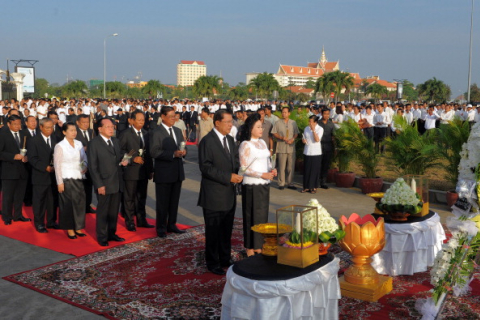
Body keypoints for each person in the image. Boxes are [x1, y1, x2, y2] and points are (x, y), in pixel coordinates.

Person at [198, 109, 242, 275]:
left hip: (229, 193)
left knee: (226, 229)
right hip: (214, 194)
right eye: (228, 122)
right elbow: (206, 167)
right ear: (217, 123)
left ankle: (225, 257)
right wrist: (228, 176)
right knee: (213, 230)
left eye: (232, 122)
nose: (231, 125)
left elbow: (234, 162)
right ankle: (212, 261)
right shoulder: (207, 141)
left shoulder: (230, 140)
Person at [239, 113, 277, 257]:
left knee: (261, 216)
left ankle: (259, 245)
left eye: (262, 126)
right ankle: (249, 247)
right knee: (251, 216)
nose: (261, 129)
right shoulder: (245, 145)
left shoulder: (262, 142)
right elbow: (243, 168)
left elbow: (267, 161)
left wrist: (271, 170)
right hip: (251, 185)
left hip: (264, 184)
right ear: (250, 129)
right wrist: (262, 174)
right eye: (258, 127)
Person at [88, 118, 127, 246]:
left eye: (112, 126)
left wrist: (127, 160)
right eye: (108, 126)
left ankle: (112, 233)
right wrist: (99, 184)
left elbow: (120, 156)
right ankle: (102, 236)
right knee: (103, 211)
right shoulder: (94, 143)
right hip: (104, 183)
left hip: (117, 181)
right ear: (100, 129)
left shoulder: (115, 141)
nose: (111, 129)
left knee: (113, 211)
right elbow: (93, 167)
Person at [150, 106, 187, 238]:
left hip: (177, 172)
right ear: (163, 117)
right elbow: (154, 151)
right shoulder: (157, 132)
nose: (173, 118)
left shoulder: (177, 131)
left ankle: (172, 224)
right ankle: (160, 227)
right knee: (162, 203)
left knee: (174, 202)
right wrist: (172, 154)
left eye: (174, 115)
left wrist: (184, 152)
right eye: (171, 116)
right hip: (164, 173)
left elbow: (183, 145)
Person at [119, 110, 154, 231]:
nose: (141, 122)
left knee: (141, 197)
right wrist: (133, 158)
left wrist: (150, 170)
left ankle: (141, 220)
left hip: (143, 171)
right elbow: (120, 152)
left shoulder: (146, 133)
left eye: (143, 120)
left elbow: (148, 153)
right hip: (131, 171)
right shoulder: (126, 134)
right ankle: (129, 222)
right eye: (139, 120)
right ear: (132, 120)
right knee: (129, 198)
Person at [54, 122, 88, 239]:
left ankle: (78, 227)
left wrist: (84, 167)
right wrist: (59, 182)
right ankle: (69, 228)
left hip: (78, 177)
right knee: (68, 205)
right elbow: (57, 165)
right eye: (71, 130)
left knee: (80, 203)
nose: (74, 132)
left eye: (75, 130)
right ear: (64, 132)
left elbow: (84, 158)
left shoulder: (79, 144)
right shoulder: (60, 146)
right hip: (66, 178)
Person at [27, 118, 58, 233]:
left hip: (53, 176)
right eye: (48, 127)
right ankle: (39, 223)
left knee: (52, 200)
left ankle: (51, 221)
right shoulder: (33, 140)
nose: (50, 130)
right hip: (40, 175)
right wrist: (45, 167)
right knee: (39, 201)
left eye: (52, 127)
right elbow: (32, 158)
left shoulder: (55, 139)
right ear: (41, 127)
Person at [0, 115, 31, 225]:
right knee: (8, 196)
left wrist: (27, 157)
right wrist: (13, 156)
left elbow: (29, 149)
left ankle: (18, 215)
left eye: (19, 124)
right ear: (9, 124)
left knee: (19, 196)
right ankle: (6, 217)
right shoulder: (3, 135)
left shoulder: (24, 134)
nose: (18, 126)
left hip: (22, 170)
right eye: (15, 124)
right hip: (9, 171)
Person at [272, 106, 299, 190]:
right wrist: (281, 137)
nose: (284, 114)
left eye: (285, 112)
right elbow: (274, 133)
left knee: (290, 167)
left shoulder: (293, 123)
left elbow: (296, 133)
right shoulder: (278, 122)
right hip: (281, 147)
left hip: (291, 147)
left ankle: (290, 183)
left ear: (289, 113)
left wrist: (293, 139)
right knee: (281, 166)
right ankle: (281, 183)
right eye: (282, 112)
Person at [76, 114, 96, 214]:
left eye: (87, 122)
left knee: (89, 186)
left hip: (91, 163)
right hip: (79, 163)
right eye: (83, 122)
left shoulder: (91, 132)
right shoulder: (75, 133)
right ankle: (80, 207)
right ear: (77, 123)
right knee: (80, 187)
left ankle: (88, 205)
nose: (85, 124)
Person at [301, 115, 323, 194]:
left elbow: (317, 140)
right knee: (307, 169)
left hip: (316, 152)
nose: (309, 123)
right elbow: (304, 137)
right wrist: (303, 140)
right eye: (309, 121)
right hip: (307, 151)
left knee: (314, 170)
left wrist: (313, 130)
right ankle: (306, 187)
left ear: (315, 122)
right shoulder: (306, 128)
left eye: (311, 121)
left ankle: (313, 187)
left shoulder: (320, 129)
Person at [318, 108, 335, 189]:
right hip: (318, 146)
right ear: (322, 114)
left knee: (326, 164)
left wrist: (335, 148)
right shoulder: (318, 123)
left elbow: (333, 136)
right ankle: (316, 181)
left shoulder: (331, 124)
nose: (326, 115)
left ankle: (323, 182)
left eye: (328, 114)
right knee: (318, 164)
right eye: (325, 114)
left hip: (328, 146)